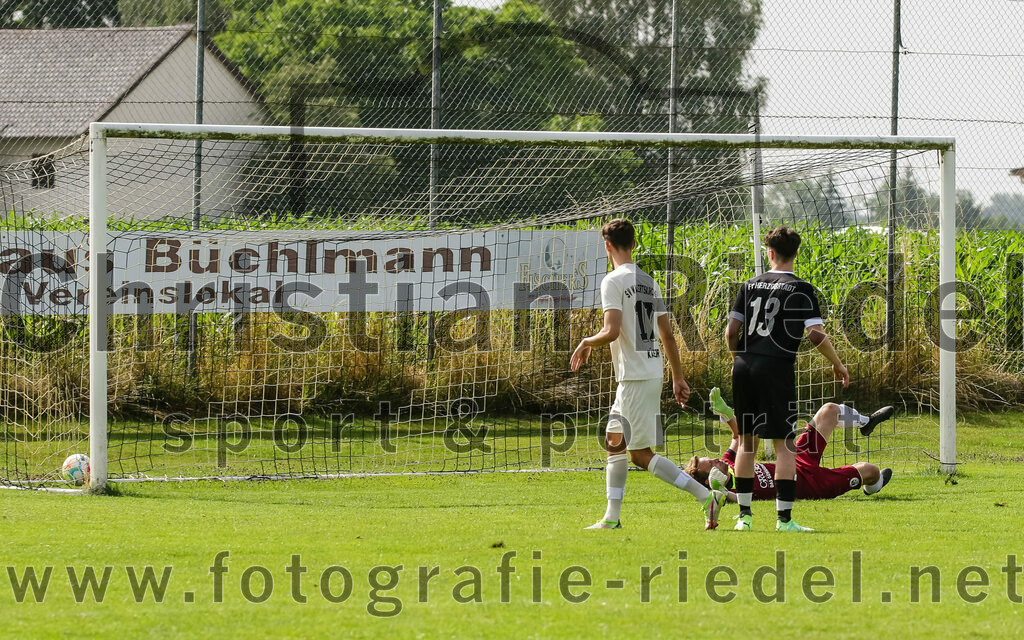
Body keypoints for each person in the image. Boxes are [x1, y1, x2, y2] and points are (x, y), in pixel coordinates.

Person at [571, 218, 726, 530]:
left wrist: (587, 340)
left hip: (635, 378)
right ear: (634, 244)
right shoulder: (648, 281)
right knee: (614, 441)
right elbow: (667, 334)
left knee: (641, 454)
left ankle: (705, 496)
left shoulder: (612, 281)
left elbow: (611, 331)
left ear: (607, 246)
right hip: (648, 372)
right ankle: (611, 518)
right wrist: (678, 376)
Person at [725, 225, 849, 532]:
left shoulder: (750, 285)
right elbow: (816, 334)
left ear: (770, 253)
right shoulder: (802, 289)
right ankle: (784, 520)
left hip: (744, 367)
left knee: (747, 443)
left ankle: (744, 517)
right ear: (795, 253)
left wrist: (737, 360)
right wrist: (838, 363)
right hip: (775, 368)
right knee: (785, 445)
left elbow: (731, 332)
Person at [684, 388, 895, 501]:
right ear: (712, 479)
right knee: (871, 470)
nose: (716, 459)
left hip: (796, 458)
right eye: (711, 464)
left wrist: (726, 413)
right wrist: (718, 492)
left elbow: (739, 437)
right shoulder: (737, 491)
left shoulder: (730, 463)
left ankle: (866, 422)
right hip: (812, 485)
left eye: (711, 458)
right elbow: (731, 498)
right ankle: (872, 488)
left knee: (830, 410)